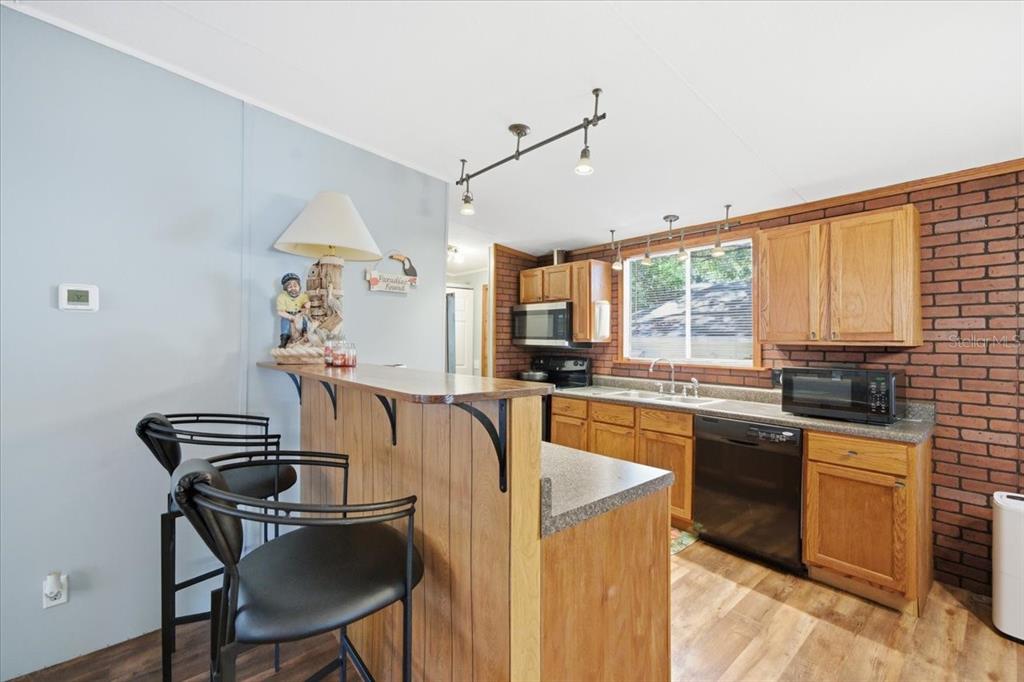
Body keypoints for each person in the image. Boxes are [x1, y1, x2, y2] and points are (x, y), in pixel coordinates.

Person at [277, 273, 310, 348]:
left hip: (300, 314)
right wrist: (290, 317)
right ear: (286, 289)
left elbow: (306, 303)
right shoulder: (282, 297)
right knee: (285, 323)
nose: (293, 288)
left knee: (305, 320)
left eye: (295, 286)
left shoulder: (303, 296)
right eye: (290, 287)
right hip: (288, 315)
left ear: (299, 287)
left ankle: (305, 333)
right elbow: (280, 312)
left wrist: (307, 304)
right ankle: (284, 340)